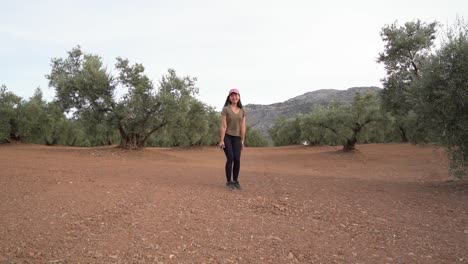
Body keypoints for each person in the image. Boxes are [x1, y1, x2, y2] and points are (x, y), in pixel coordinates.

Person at [219, 88, 247, 190]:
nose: (234, 97)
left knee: (237, 160)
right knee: (230, 158)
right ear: (229, 98)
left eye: (236, 95)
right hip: (227, 136)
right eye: (232, 95)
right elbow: (223, 126)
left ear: (239, 97)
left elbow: (243, 126)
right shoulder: (226, 109)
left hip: (237, 138)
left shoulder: (243, 111)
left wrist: (242, 141)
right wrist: (222, 140)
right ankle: (228, 182)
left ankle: (235, 181)